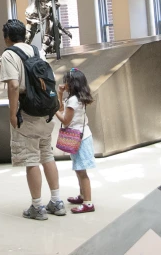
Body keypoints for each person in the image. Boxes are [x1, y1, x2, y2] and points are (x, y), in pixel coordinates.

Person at [0, 19, 65, 220]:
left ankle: (37, 206)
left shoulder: (9, 54)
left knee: (31, 159)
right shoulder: (37, 52)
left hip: (26, 112)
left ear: (7, 37)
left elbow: (13, 85)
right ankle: (56, 201)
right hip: (45, 111)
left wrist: (12, 114)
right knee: (47, 154)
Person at [55, 68, 96, 213]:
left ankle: (88, 203)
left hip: (79, 139)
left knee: (81, 172)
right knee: (79, 170)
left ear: (72, 84)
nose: (64, 84)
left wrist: (54, 111)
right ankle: (83, 196)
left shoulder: (73, 100)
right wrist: (60, 95)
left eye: (66, 81)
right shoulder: (77, 98)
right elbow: (63, 109)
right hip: (82, 137)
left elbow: (65, 120)